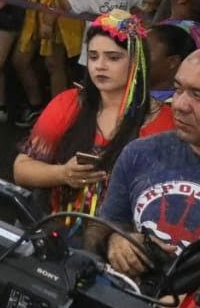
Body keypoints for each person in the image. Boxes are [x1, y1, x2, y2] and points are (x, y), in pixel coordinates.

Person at [14, 11, 171, 219]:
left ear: (137, 62)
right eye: (94, 56)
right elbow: (21, 169)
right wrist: (62, 174)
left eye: (113, 57)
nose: (100, 66)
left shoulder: (164, 120)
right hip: (56, 224)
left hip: (121, 237)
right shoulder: (69, 103)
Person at [94, 48, 200, 280]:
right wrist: (115, 241)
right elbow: (99, 230)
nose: (180, 104)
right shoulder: (140, 152)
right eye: (178, 89)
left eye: (197, 95)